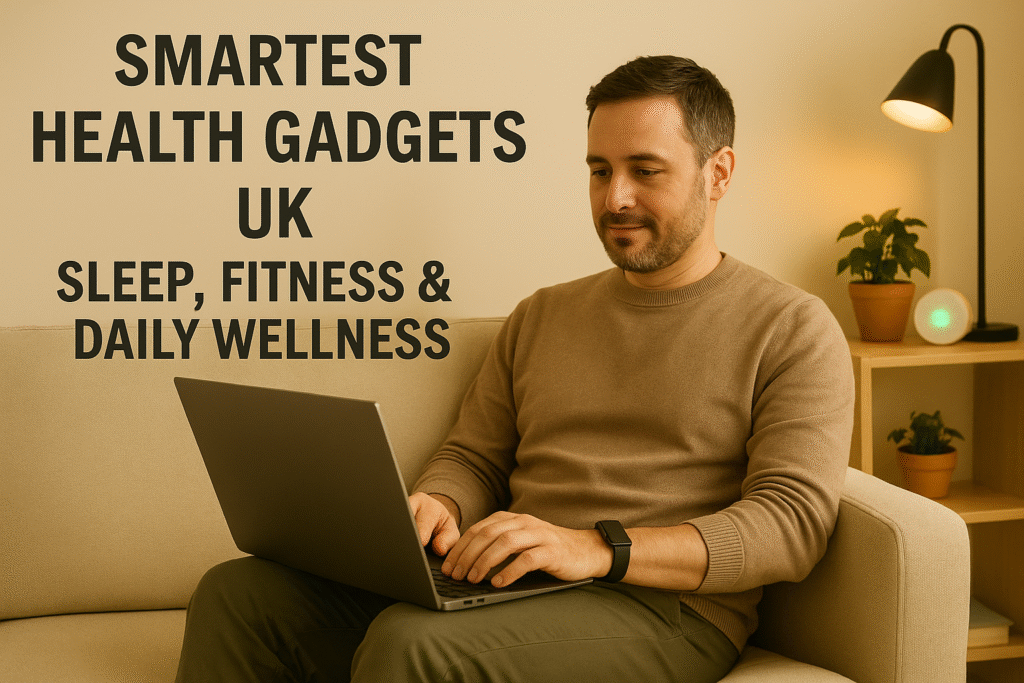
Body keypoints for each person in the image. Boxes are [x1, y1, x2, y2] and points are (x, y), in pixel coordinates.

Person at [175, 55, 854, 683]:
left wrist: (596, 547)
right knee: (239, 594)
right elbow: (474, 455)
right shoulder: (542, 314)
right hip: (512, 582)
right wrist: (437, 503)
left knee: (412, 644)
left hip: (664, 610)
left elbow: (791, 524)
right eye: (598, 169)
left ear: (719, 172)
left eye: (645, 170)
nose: (615, 197)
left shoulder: (792, 326)